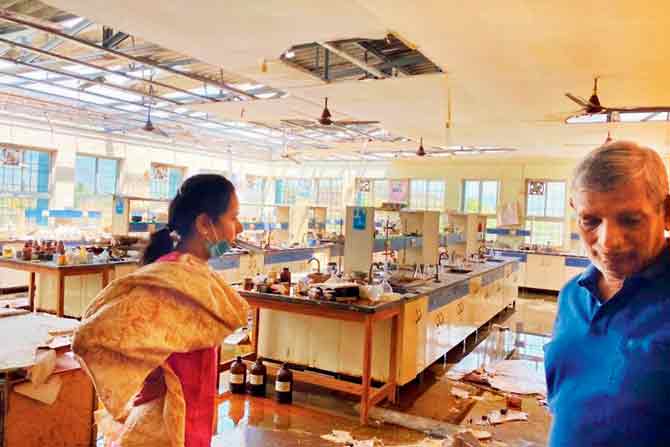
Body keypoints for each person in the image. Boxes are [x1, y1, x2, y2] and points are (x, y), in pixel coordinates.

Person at [73, 174, 249, 447]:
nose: (239, 227)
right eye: (233, 217)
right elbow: (91, 337)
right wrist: (144, 372)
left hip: (195, 412)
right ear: (205, 224)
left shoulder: (194, 275)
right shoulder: (170, 279)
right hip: (165, 423)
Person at [545, 141, 670, 446]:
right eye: (591, 221)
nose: (609, 241)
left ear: (666, 213)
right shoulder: (572, 296)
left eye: (629, 220)